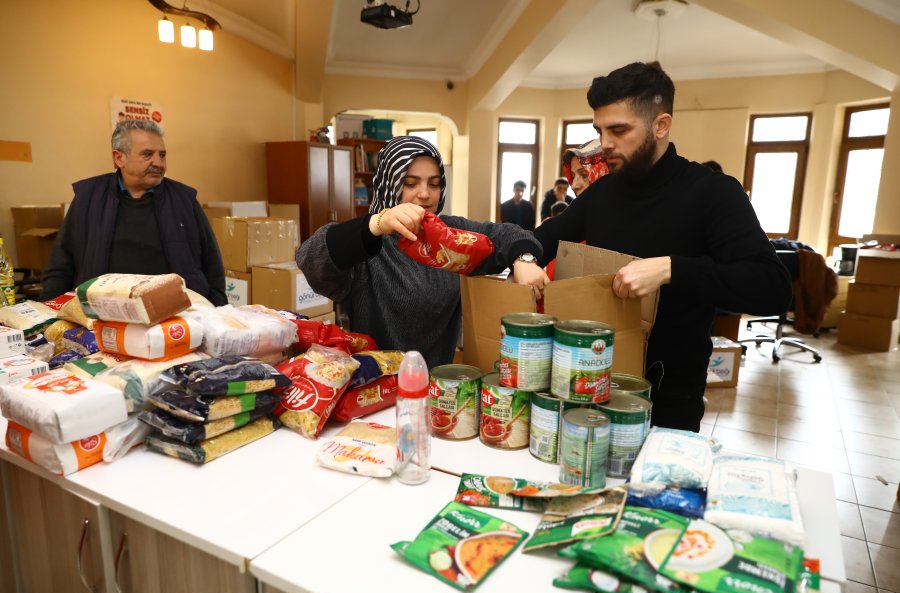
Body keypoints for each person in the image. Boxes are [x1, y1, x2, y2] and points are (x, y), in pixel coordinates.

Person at [534, 62, 791, 432]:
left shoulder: (713, 193)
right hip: (589, 385)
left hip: (668, 399)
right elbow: (545, 239)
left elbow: (772, 288)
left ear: (661, 125)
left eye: (619, 130)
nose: (605, 143)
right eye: (600, 130)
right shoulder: (603, 193)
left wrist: (672, 269)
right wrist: (524, 255)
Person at [296, 136, 548, 368]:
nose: (425, 194)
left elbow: (508, 234)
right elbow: (312, 259)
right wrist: (376, 223)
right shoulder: (370, 243)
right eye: (410, 183)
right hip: (376, 390)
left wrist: (524, 259)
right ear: (389, 184)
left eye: (434, 184)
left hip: (439, 387)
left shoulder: (452, 233)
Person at [40, 120, 226, 305]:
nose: (158, 162)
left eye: (162, 155)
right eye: (148, 154)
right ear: (119, 158)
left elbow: (212, 265)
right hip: (103, 313)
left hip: (176, 315)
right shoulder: (88, 198)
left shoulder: (184, 200)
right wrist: (49, 314)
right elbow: (60, 265)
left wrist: (220, 311)